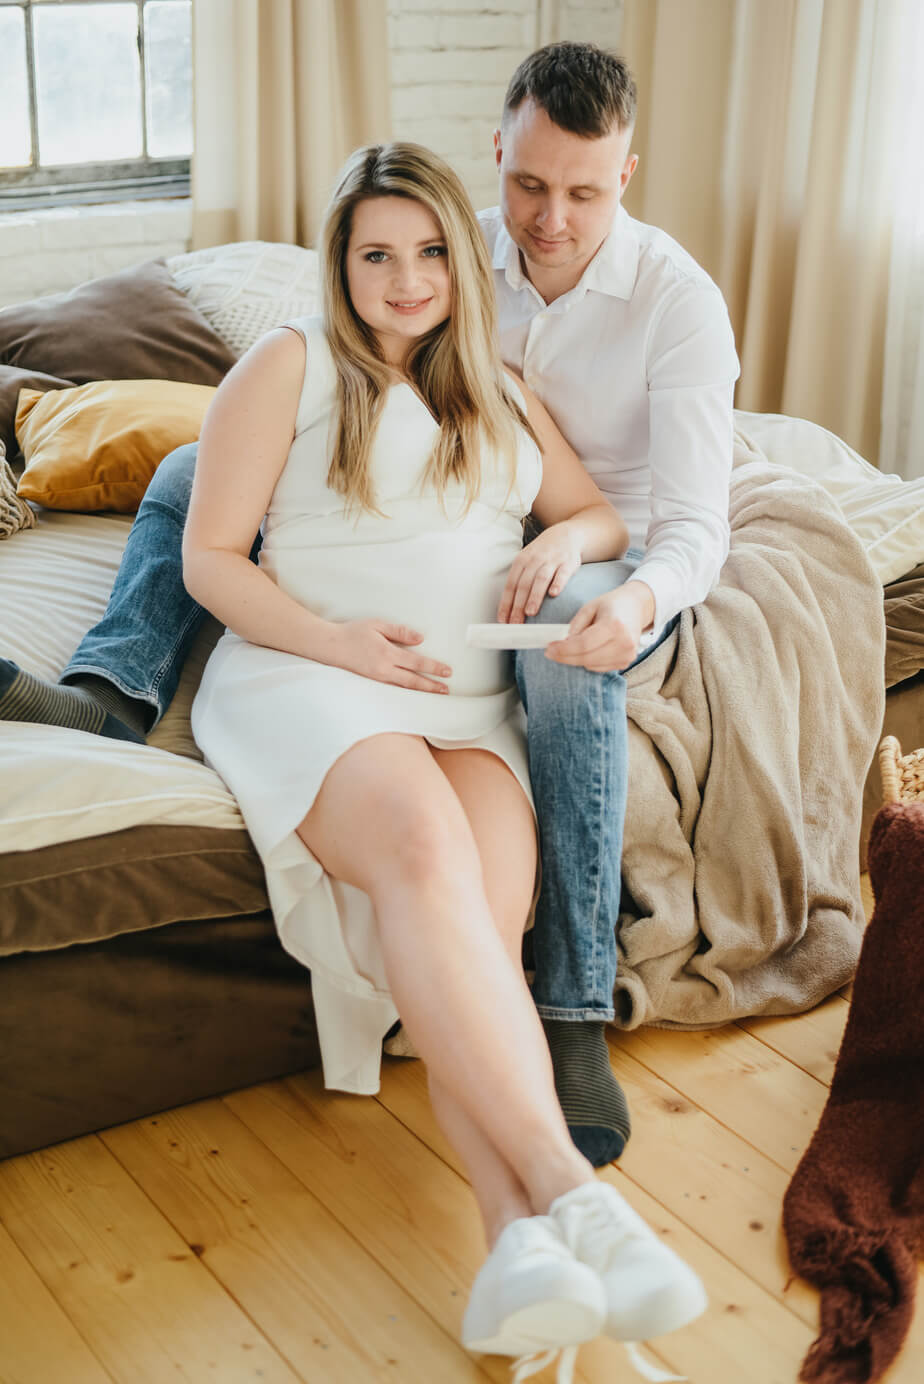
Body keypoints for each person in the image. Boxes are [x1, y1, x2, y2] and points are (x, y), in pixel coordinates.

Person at [0, 41, 739, 1171]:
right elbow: (354, 339)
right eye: (528, 185)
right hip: (429, 539)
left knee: (563, 657)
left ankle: (572, 1002)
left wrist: (619, 587)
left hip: (603, 545)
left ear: (625, 176)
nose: (548, 219)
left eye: (583, 194)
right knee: (194, 468)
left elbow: (683, 527)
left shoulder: (672, 303)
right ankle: (113, 691)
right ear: (498, 155)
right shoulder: (450, 248)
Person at [183, 141, 707, 1369]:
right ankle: (575, 1196)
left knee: (481, 922)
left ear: (464, 263)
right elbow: (208, 560)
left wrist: (565, 544)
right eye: (377, 254)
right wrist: (336, 642)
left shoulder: (500, 385)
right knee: (423, 854)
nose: (407, 279)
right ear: (341, 262)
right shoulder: (289, 365)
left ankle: (514, 1249)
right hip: (316, 679)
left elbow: (601, 512)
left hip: (468, 704)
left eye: (429, 252)